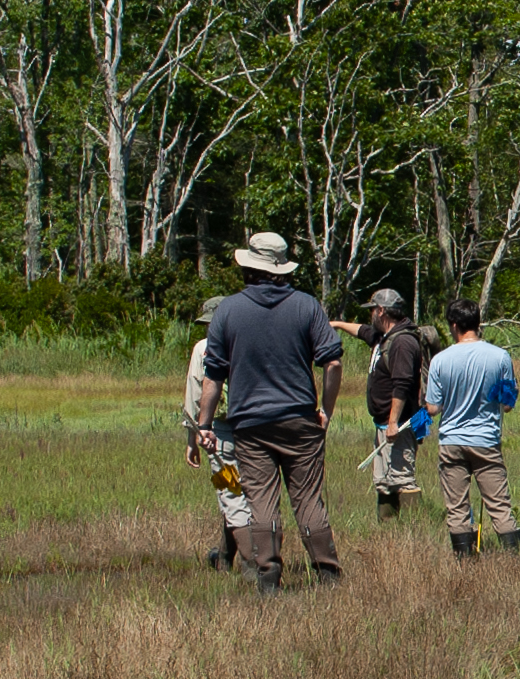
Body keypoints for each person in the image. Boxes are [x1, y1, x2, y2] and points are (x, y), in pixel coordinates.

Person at [194, 231, 346, 591]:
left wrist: (204, 424)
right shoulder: (306, 305)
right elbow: (334, 363)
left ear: (248, 268)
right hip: (300, 421)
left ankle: (269, 577)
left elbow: (212, 378)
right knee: (307, 499)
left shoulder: (228, 310)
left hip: (250, 425)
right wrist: (325, 409)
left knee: (261, 503)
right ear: (282, 268)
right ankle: (327, 574)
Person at [421, 298, 520, 559]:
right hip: (486, 440)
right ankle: (516, 562)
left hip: (452, 441)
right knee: (499, 506)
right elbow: (507, 404)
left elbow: (433, 408)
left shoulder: (441, 361)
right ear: (477, 323)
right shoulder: (500, 357)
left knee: (457, 507)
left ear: (454, 325)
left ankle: (465, 562)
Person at [331, 287, 428, 523]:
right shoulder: (382, 337)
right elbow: (362, 331)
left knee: (402, 479)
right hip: (384, 423)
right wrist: (336, 324)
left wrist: (394, 422)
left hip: (400, 425)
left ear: (381, 311)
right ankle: (388, 531)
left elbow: (402, 385)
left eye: (372, 310)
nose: (370, 315)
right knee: (384, 481)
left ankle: (414, 532)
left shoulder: (403, 342)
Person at [181, 295, 251, 569]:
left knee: (230, 495)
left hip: (219, 434)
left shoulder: (203, 348)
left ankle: (251, 564)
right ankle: (223, 557)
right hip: (255, 430)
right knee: (244, 496)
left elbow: (194, 397)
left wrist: (192, 439)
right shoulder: (249, 343)